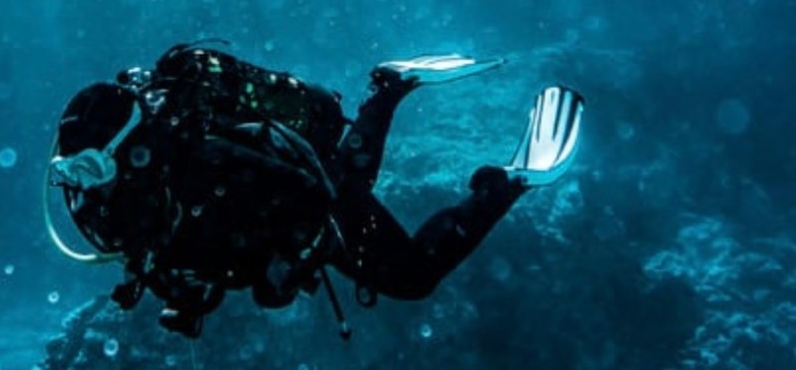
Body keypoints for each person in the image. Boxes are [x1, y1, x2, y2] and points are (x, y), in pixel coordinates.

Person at [45, 42, 584, 339]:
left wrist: (291, 262)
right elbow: (160, 253)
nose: (82, 185)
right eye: (71, 171)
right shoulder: (98, 203)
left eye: (90, 166)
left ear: (133, 147)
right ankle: (390, 87)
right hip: (266, 211)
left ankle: (507, 182)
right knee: (350, 174)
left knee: (407, 271)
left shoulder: (205, 159)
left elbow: (310, 194)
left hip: (298, 188)